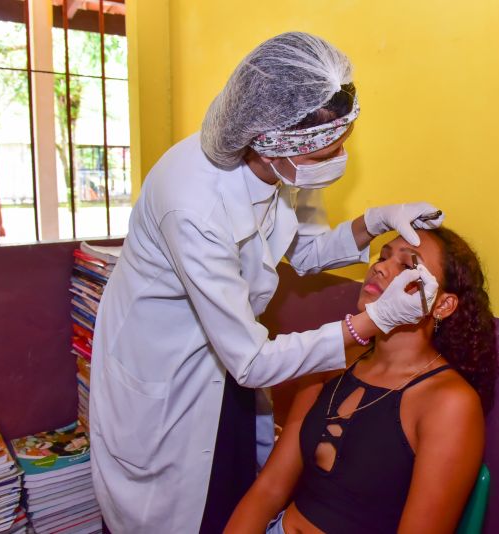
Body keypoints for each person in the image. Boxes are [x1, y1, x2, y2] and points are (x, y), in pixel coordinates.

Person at [89, 32, 443, 533]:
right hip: (168, 366)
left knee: (230, 485)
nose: (337, 162)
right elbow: (252, 360)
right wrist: (371, 321)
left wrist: (377, 219)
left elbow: (305, 249)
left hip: (227, 368)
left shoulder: (287, 169)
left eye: (341, 147)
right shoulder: (192, 204)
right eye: (327, 155)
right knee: (180, 510)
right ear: (272, 144)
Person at [226, 227, 499, 534]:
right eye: (382, 256)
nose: (380, 267)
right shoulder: (332, 359)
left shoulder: (449, 403)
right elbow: (269, 490)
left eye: (408, 266)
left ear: (442, 305)